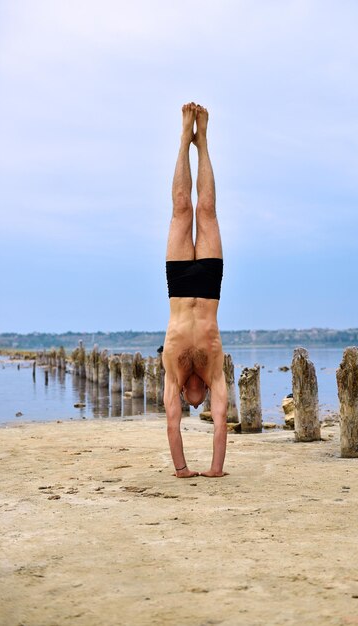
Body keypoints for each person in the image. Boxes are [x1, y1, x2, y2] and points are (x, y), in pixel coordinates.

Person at [162, 102, 228, 479]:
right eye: (199, 400)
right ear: (201, 392)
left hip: (177, 284)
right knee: (207, 210)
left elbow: (172, 423)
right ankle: (201, 140)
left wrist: (183, 469)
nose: (196, 400)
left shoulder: (173, 371)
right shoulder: (214, 370)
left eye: (194, 403)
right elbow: (221, 422)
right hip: (209, 284)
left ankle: (183, 136)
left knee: (180, 209)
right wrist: (214, 470)